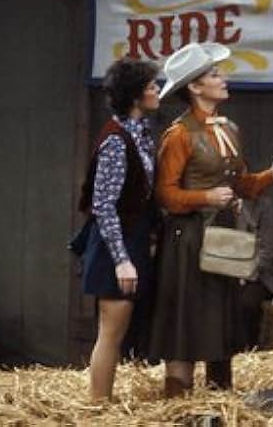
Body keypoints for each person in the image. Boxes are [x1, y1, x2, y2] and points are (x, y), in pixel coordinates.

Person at [149, 42, 273, 397]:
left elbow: (239, 183)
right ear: (195, 87)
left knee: (219, 321)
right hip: (189, 240)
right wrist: (205, 197)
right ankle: (178, 402)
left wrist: (268, 177)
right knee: (186, 322)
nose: (222, 78)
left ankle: (220, 401)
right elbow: (165, 194)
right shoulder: (179, 135)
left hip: (223, 237)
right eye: (214, 74)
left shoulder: (228, 129)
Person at [78, 60, 160, 401]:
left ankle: (103, 404)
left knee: (120, 330)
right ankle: (98, 406)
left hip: (135, 239)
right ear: (135, 95)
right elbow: (103, 204)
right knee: (110, 333)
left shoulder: (140, 133)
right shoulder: (116, 140)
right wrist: (121, 259)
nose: (158, 90)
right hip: (117, 245)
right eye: (151, 85)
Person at [233, 195, 273, 349]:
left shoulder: (263, 205)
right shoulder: (212, 204)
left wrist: (244, 273)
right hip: (224, 272)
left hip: (258, 275)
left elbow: (268, 250)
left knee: (246, 302)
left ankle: (248, 347)